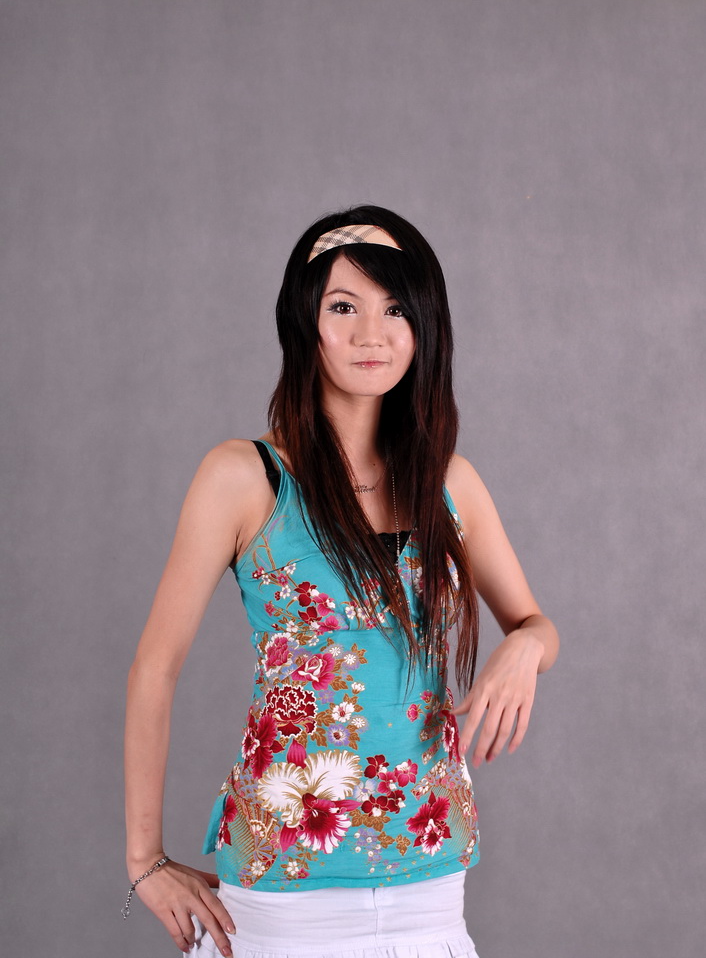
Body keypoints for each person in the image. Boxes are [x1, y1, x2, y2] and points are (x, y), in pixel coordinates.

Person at [124, 205, 559, 957]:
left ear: (424, 328)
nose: (371, 335)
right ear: (305, 321)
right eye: (343, 307)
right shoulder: (243, 478)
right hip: (283, 898)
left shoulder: (449, 484)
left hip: (430, 885)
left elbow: (536, 626)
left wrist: (526, 646)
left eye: (396, 309)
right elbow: (154, 669)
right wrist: (145, 861)